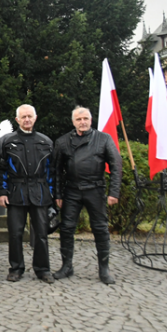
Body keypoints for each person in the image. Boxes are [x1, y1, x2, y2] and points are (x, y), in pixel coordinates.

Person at [52, 106, 122, 284]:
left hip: (95, 189)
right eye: (78, 119)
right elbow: (57, 171)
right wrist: (58, 194)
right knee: (67, 228)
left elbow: (116, 165)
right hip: (71, 191)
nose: (82, 122)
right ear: (73, 121)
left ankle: (104, 269)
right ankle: (66, 266)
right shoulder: (62, 142)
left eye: (85, 119)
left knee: (100, 229)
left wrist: (114, 192)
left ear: (91, 120)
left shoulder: (104, 139)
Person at [0, 105, 55, 284]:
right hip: (16, 191)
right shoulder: (7, 142)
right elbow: (1, 170)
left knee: (41, 234)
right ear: (17, 120)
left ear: (35, 118)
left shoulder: (46, 141)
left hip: (40, 191)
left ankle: (43, 269)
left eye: (30, 116)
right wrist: (2, 192)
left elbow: (52, 171)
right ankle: (16, 268)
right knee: (15, 233)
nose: (27, 119)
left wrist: (53, 195)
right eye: (23, 117)